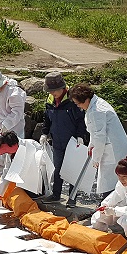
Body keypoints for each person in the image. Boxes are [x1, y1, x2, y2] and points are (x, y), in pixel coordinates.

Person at [71, 83, 127, 197]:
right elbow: (94, 134)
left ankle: (109, 206)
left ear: (86, 100)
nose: (78, 106)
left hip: (112, 150)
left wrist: (96, 158)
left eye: (78, 103)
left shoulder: (96, 111)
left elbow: (100, 137)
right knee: (116, 181)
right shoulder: (96, 104)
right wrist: (91, 146)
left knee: (113, 182)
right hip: (113, 147)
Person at [42, 72, 88, 200]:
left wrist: (80, 136)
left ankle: (72, 198)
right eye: (50, 91)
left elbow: (81, 120)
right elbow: (47, 118)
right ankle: (56, 195)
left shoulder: (72, 100)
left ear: (62, 88)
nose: (52, 94)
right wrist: (45, 133)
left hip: (72, 141)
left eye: (54, 91)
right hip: (57, 141)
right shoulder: (50, 100)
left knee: (72, 170)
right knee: (58, 169)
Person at [0, 69, 26, 175]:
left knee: (12, 157)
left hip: (13, 129)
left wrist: (6, 125)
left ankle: (12, 180)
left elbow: (17, 112)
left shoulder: (14, 92)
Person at [0, 131, 53, 201]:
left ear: (14, 145)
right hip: (24, 182)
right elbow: (6, 172)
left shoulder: (31, 146)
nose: (6, 153)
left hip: (37, 179)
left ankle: (39, 192)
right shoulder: (10, 154)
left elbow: (44, 164)